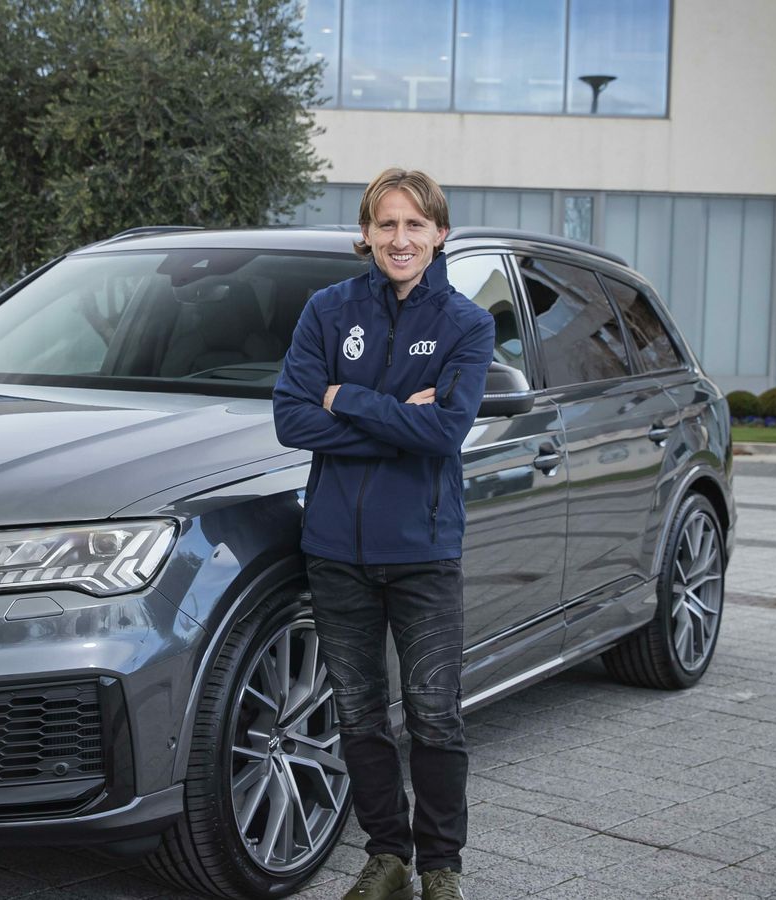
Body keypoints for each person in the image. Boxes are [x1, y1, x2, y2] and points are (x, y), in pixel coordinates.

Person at [272, 167, 494, 900]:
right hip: (335, 552)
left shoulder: (466, 323)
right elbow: (291, 419)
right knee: (360, 715)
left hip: (423, 552)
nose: (401, 239)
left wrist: (347, 399)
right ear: (365, 234)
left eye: (415, 225)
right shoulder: (327, 311)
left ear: (439, 235)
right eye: (387, 225)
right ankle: (387, 857)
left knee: (434, 715)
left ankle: (441, 868)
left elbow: (446, 433)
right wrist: (399, 416)